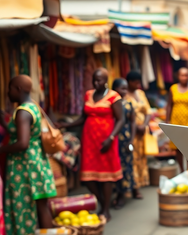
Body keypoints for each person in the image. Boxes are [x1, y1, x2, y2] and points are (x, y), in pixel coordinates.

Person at [59, 68, 124, 221]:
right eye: (94, 80)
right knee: (88, 177)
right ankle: (102, 202)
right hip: (89, 140)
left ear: (106, 80)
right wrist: (64, 125)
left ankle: (106, 209)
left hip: (106, 139)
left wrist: (111, 137)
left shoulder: (114, 97)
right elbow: (83, 117)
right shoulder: (88, 94)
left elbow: (121, 119)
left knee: (106, 177)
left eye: (100, 80)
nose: (96, 83)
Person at [0, 75, 55, 234]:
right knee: (42, 207)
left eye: (10, 89)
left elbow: (22, 143)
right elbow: (22, 133)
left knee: (23, 208)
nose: (7, 92)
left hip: (24, 167)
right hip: (37, 162)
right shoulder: (33, 106)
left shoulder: (22, 112)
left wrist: (1, 150)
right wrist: (4, 122)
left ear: (18, 89)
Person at [124, 71, 151, 198]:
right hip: (130, 133)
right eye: (136, 82)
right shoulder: (124, 96)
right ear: (130, 82)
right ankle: (134, 187)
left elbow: (148, 112)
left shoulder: (140, 94)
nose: (138, 85)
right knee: (132, 159)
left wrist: (144, 125)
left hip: (141, 132)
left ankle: (140, 183)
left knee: (141, 157)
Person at [111, 78, 136, 210]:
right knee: (115, 166)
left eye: (126, 88)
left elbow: (132, 122)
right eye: (122, 88)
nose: (125, 91)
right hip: (113, 139)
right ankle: (118, 192)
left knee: (126, 165)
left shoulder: (128, 105)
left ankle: (124, 193)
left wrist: (131, 140)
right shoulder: (110, 104)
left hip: (125, 139)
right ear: (115, 89)